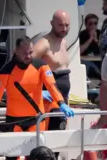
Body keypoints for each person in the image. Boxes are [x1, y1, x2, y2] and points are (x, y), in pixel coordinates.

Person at [0, 36, 74, 160]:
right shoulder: (6, 70)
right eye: (25, 53)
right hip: (14, 122)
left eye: (31, 52)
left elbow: (52, 86)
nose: (28, 56)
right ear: (16, 51)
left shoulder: (40, 65)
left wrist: (61, 103)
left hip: (36, 120)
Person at [34, 10, 73, 138]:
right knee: (46, 139)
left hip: (63, 101)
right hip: (48, 102)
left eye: (67, 25)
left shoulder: (64, 42)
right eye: (60, 25)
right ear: (52, 23)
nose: (64, 29)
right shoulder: (44, 44)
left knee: (59, 139)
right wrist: (39, 91)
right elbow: (25, 65)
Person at [80, 14, 103, 78]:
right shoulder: (82, 34)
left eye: (95, 23)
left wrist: (96, 40)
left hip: (99, 63)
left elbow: (105, 50)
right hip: (86, 63)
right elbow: (79, 51)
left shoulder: (101, 33)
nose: (93, 26)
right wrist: (90, 39)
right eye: (90, 23)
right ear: (86, 24)